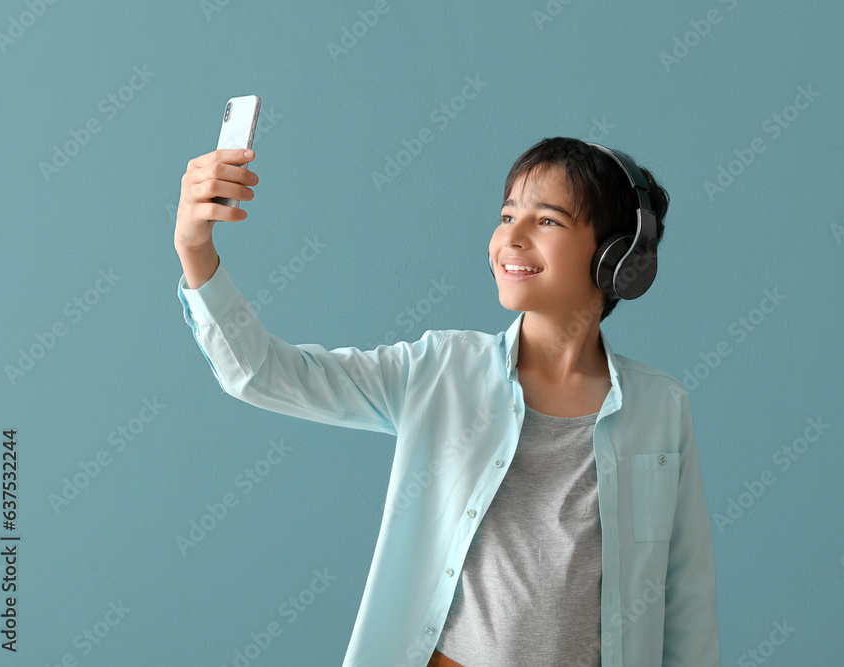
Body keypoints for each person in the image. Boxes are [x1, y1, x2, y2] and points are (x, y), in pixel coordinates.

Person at [174, 137, 720, 667]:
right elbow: (263, 373)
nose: (513, 237)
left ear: (616, 258)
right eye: (508, 216)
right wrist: (196, 252)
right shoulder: (441, 370)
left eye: (547, 220)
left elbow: (685, 595)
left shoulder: (661, 408)